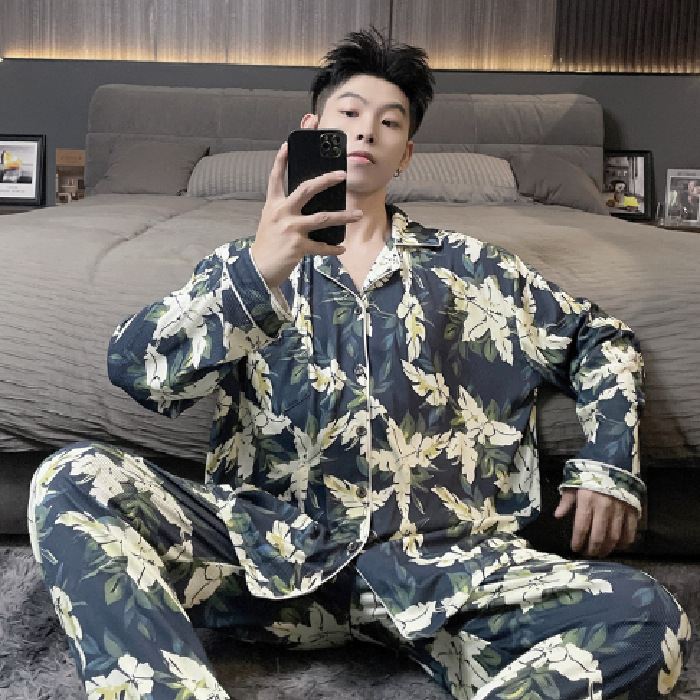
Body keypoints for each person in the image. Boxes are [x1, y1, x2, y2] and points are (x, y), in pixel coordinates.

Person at [29, 28, 690, 700]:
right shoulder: (243, 269)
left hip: (446, 574)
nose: (367, 130)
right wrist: (260, 271)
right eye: (348, 114)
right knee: (73, 478)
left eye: (390, 122)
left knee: (648, 620)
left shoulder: (479, 271)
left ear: (406, 155)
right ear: (310, 132)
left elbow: (601, 339)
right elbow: (138, 370)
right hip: (272, 561)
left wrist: (609, 465)